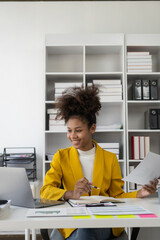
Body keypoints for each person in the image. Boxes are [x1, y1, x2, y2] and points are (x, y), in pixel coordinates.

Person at [40, 85, 158, 240]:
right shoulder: (61, 157)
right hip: (73, 220)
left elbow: (117, 194)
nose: (72, 136)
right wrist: (71, 193)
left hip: (103, 220)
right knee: (83, 230)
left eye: (78, 130)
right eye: (69, 130)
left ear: (92, 128)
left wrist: (140, 193)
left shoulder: (110, 158)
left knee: (86, 231)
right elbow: (46, 191)